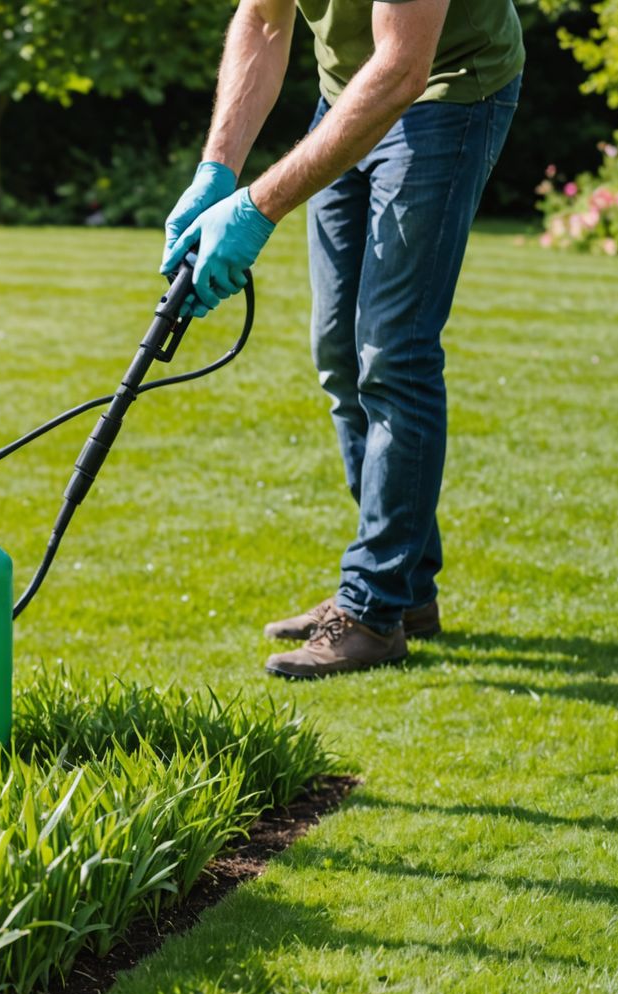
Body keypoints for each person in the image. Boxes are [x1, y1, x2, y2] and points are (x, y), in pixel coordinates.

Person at [161, 0, 523, 679]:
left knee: (393, 355)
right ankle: (406, 591)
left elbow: (403, 68)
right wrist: (217, 169)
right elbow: (264, 20)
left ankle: (372, 609)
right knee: (339, 355)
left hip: (445, 93)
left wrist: (255, 208)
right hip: (347, 94)